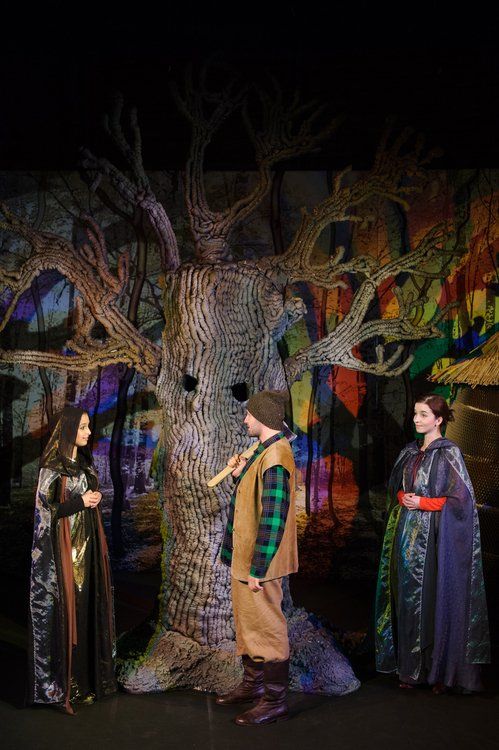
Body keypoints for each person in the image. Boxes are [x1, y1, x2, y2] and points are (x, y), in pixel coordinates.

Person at [375, 393, 490, 693]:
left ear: (438, 420)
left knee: (433, 599)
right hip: (407, 538)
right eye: (415, 413)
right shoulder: (409, 452)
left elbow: (461, 501)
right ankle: (411, 670)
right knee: (408, 599)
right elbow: (396, 489)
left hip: (437, 539)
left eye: (424, 414)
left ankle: (438, 671)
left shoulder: (449, 453)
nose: (416, 419)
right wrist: (404, 497)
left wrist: (424, 503)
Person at [28, 406, 117, 714]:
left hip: (88, 548)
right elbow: (45, 512)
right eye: (82, 427)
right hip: (65, 552)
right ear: (68, 430)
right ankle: (69, 685)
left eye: (88, 426)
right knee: (71, 611)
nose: (88, 432)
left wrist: (94, 497)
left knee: (89, 606)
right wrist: (80, 501)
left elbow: (86, 496)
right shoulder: (53, 466)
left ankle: (90, 680)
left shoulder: (84, 463)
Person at [217, 390, 297, 726]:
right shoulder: (262, 450)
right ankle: (254, 685)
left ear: (263, 417)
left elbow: (273, 518)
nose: (245, 419)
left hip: (259, 563)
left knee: (268, 628)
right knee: (249, 624)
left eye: (249, 414)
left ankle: (274, 701)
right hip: (246, 557)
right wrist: (239, 475)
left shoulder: (276, 456)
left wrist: (259, 568)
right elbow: (252, 497)